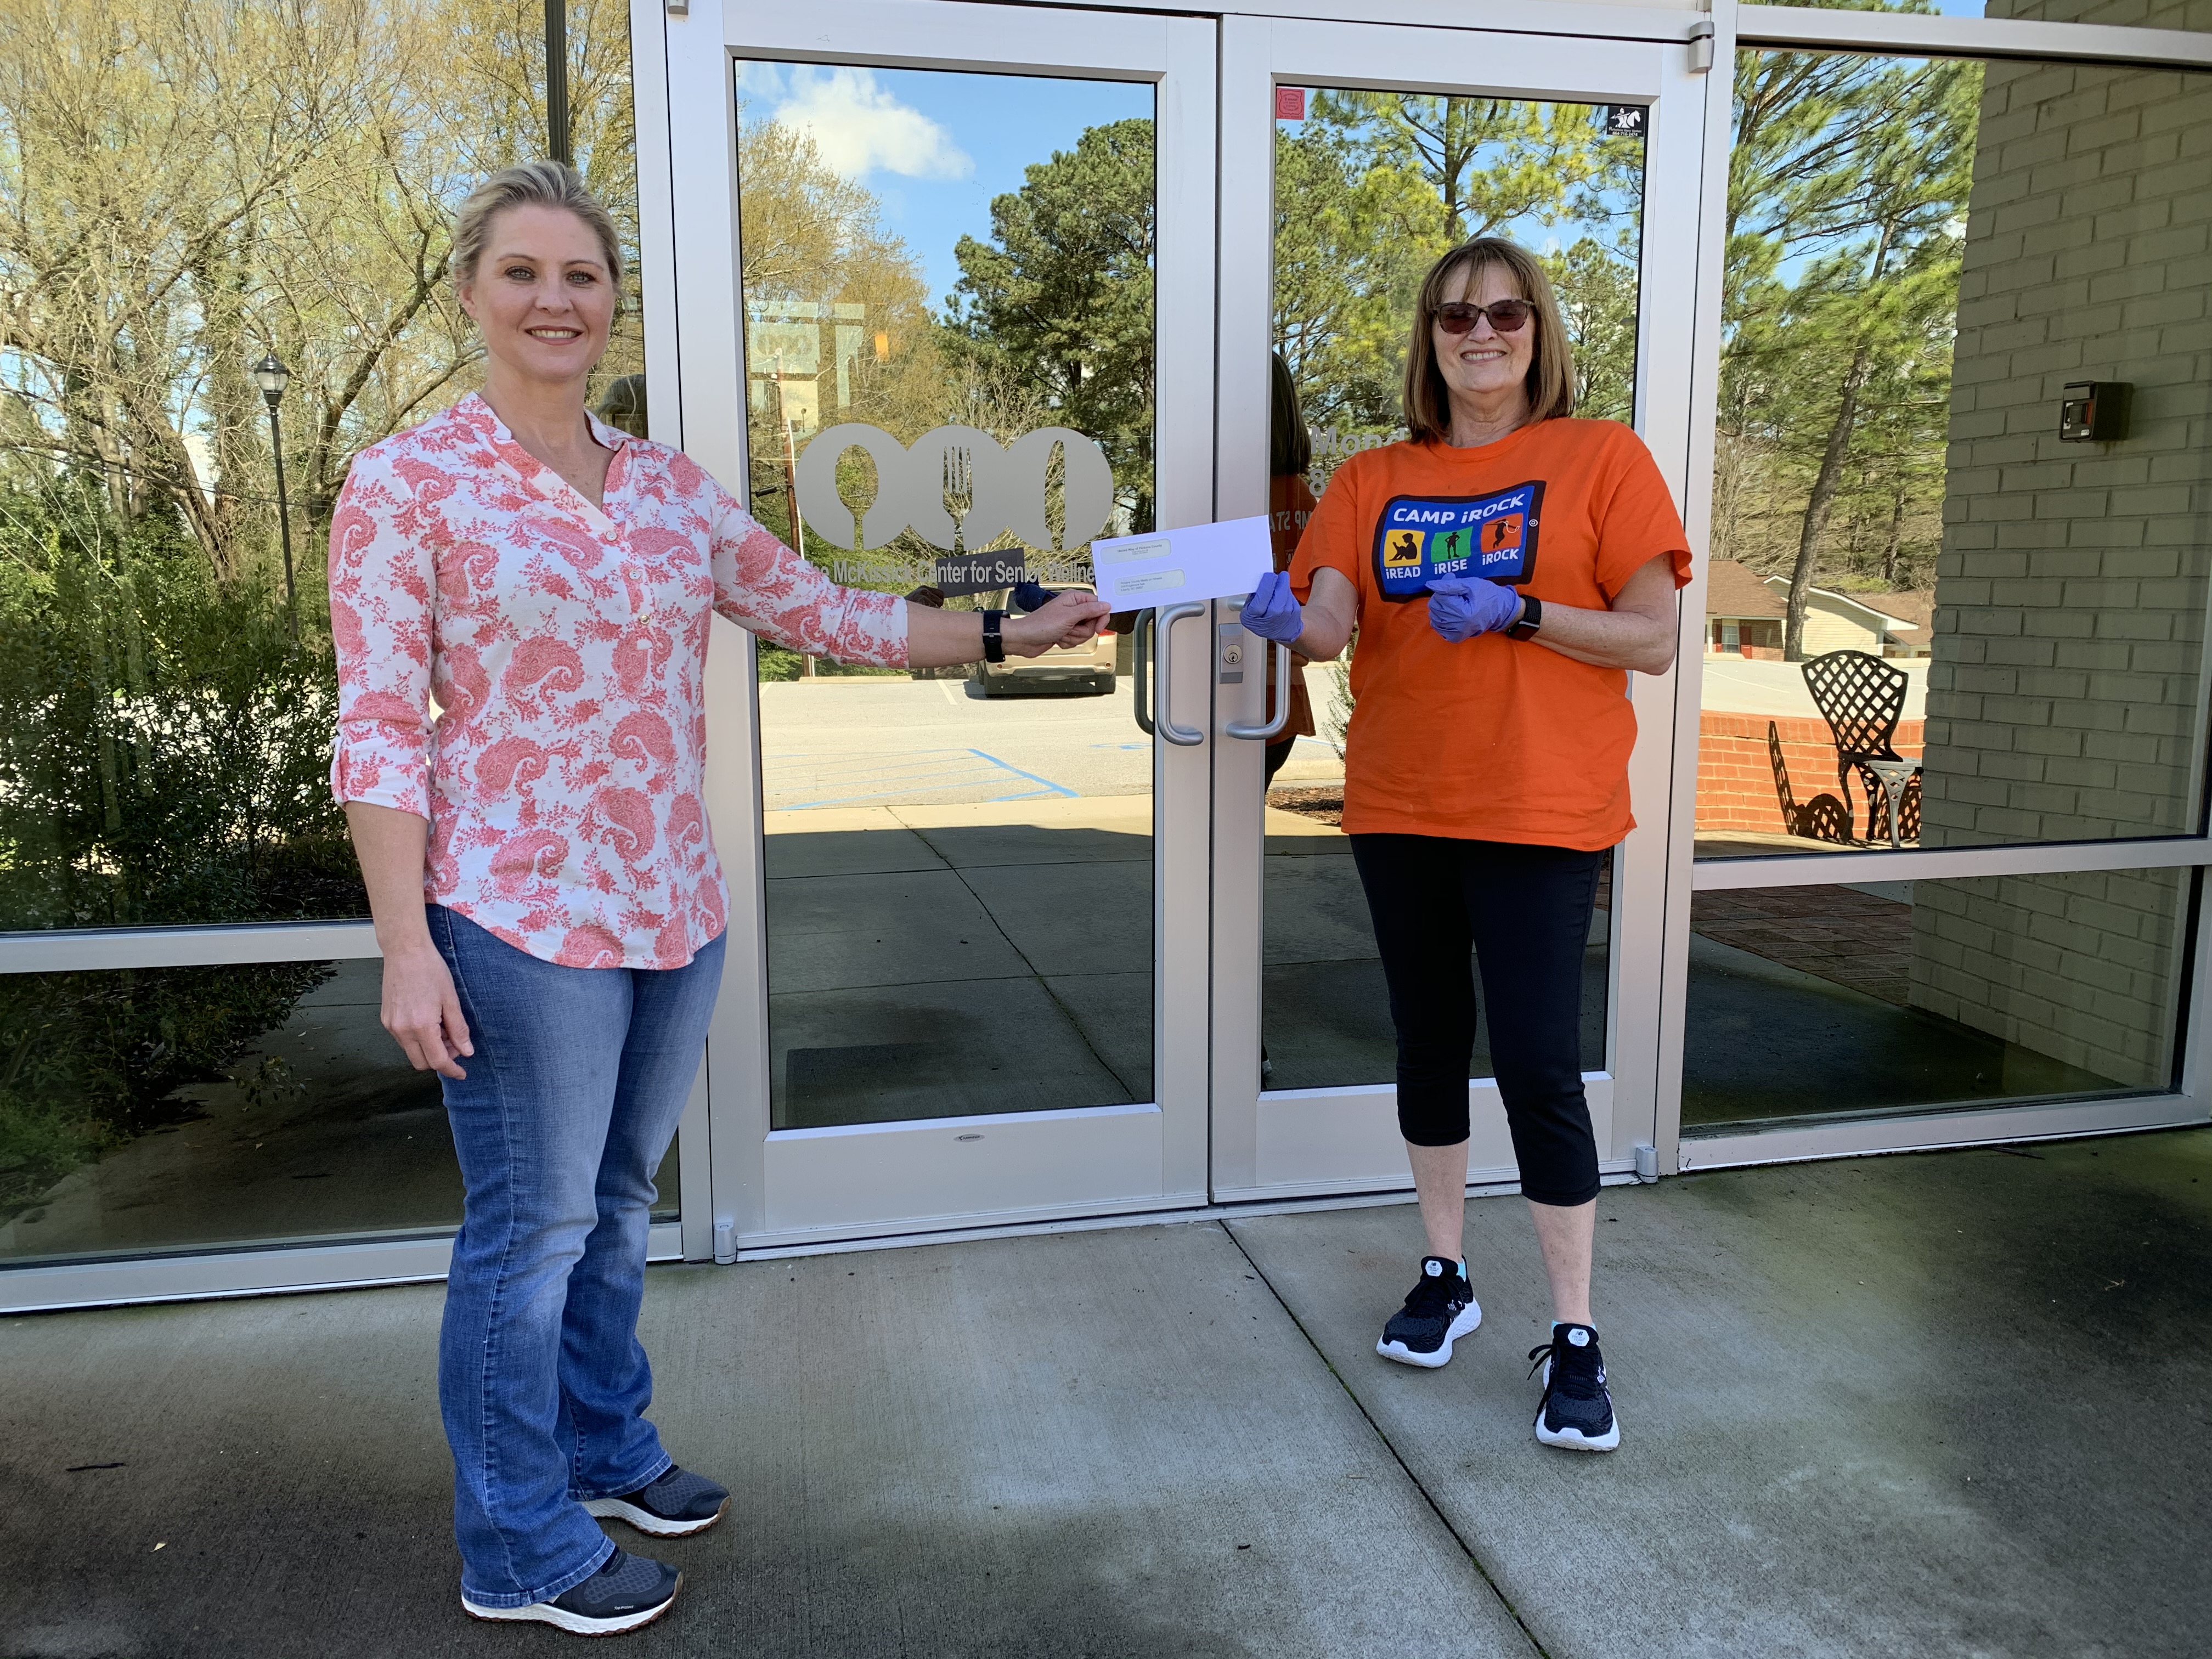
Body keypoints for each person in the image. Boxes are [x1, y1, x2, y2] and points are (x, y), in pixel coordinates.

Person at [329, 161, 1107, 1636]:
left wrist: (1016, 629)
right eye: (524, 274)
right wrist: (404, 945)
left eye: (582, 276)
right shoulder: (409, 484)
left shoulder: (673, 490)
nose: (556, 301)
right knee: (532, 1231)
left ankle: (605, 1448)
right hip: (514, 916)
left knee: (617, 1207)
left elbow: (833, 613)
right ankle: (516, 1543)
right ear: (469, 294)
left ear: (615, 301)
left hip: (670, 904)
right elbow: (377, 724)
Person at [1242, 237, 1689, 1453]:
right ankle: (1446, 1270)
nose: (1477, 333)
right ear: (1426, 338)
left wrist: (1527, 613)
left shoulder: (1602, 458)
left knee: (1540, 1065)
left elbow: (1652, 637)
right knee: (1431, 1044)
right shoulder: (1373, 475)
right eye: (1451, 315)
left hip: (1542, 811)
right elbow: (1331, 619)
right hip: (1401, 802)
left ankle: (1577, 1332)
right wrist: (1294, 616)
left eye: (1501, 312)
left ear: (1538, 329)